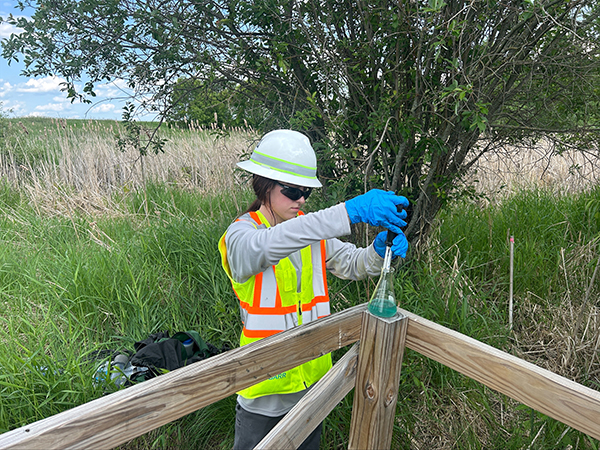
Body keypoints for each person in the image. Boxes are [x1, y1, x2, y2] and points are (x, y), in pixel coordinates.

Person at [218, 129, 409, 449]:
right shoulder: (241, 236)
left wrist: (378, 252)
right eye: (293, 190)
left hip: (313, 387)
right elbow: (267, 246)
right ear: (263, 184)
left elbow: (352, 263)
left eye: (305, 191)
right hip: (264, 390)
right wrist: (347, 213)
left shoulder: (308, 232)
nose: (301, 199)